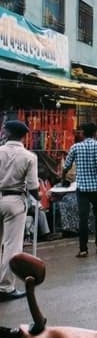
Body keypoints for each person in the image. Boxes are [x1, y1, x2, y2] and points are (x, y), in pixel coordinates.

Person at [0, 120, 38, 302]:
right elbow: (33, 187)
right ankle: (5, 287)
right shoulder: (29, 156)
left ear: (7, 133)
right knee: (12, 247)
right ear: (24, 136)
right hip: (14, 200)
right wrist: (39, 198)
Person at [61, 122, 97, 257]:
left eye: (81, 131)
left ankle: (83, 249)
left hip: (82, 189)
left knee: (83, 218)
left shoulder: (75, 147)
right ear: (94, 133)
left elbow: (66, 166)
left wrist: (62, 177)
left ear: (83, 133)